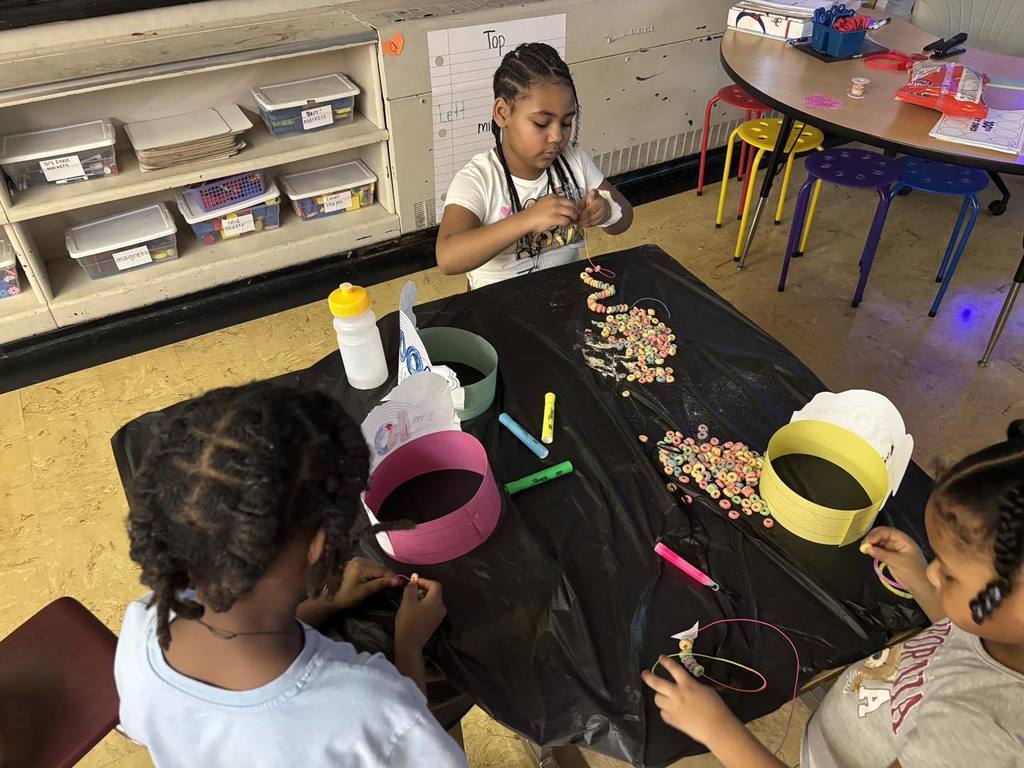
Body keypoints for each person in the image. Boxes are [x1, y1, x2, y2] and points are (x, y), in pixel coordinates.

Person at [114, 382, 468, 768]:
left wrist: (324, 605)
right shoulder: (372, 708)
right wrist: (409, 646)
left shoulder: (144, 626)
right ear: (319, 545)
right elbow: (403, 737)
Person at [642, 421, 1024, 768]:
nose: (935, 572)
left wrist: (719, 731)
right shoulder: (1000, 631)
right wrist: (919, 580)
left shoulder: (974, 739)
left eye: (951, 574)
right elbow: (957, 633)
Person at [436, 42, 633, 289]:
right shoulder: (479, 178)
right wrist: (528, 219)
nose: (557, 137)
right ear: (502, 113)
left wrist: (605, 211)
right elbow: (448, 258)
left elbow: (624, 218)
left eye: (566, 123)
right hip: (498, 305)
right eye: (541, 123)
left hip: (563, 294)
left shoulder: (574, 162)